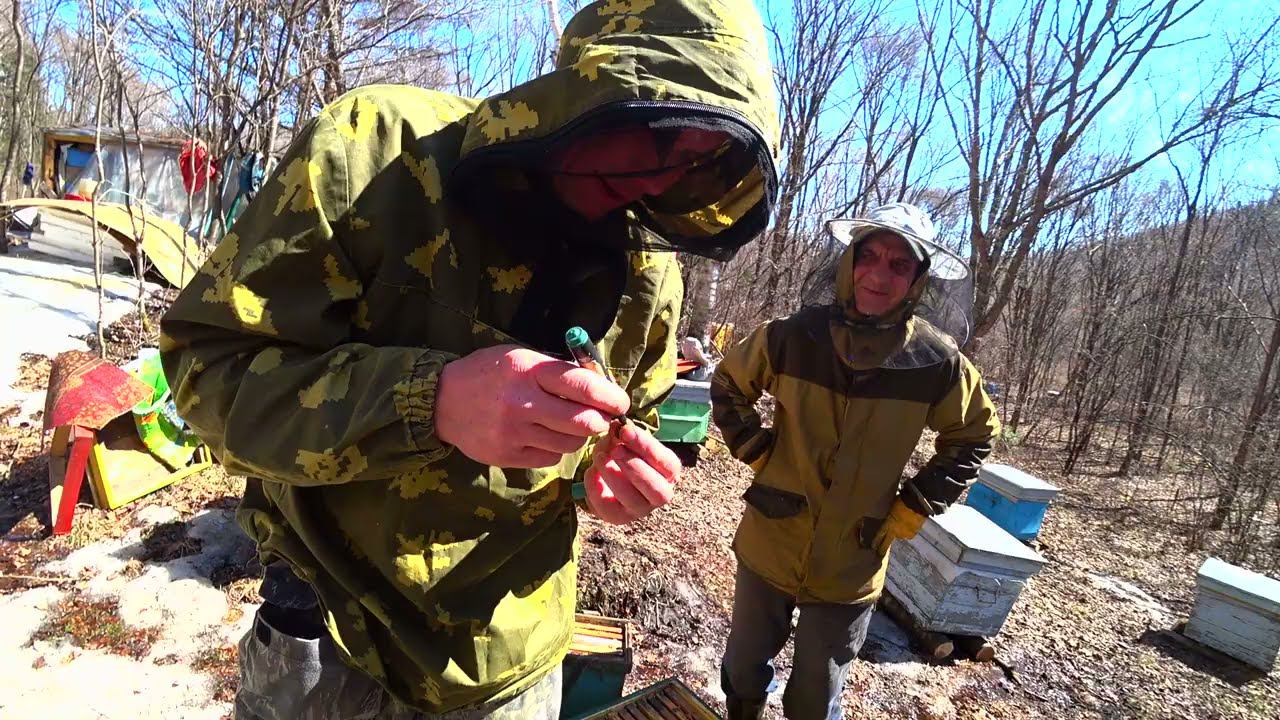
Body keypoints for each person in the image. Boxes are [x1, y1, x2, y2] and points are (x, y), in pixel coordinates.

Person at [158, 0, 779, 718]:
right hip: (333, 645)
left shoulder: (650, 277)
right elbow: (206, 374)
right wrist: (431, 401)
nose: (654, 181)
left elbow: (612, 442)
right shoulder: (375, 154)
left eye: (694, 165)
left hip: (511, 672)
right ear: (592, 85)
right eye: (654, 133)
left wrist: (603, 483)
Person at [710, 203, 1000, 720]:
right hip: (771, 540)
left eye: (899, 264)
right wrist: (757, 449)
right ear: (849, 262)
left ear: (917, 280)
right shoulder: (791, 336)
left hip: (854, 556)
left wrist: (914, 503)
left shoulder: (937, 362)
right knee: (745, 666)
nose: (879, 274)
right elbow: (729, 383)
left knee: (815, 696)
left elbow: (974, 434)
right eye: (870, 256)